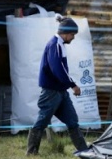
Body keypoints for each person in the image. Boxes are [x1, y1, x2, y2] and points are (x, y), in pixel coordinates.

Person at [26, 16, 88, 156]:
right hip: (51, 92)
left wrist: (68, 85)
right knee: (42, 121)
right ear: (65, 33)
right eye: (72, 34)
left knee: (72, 121)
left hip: (60, 91)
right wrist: (73, 85)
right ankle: (31, 152)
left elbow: (61, 70)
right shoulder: (55, 45)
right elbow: (58, 69)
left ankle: (84, 152)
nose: (73, 38)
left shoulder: (60, 44)